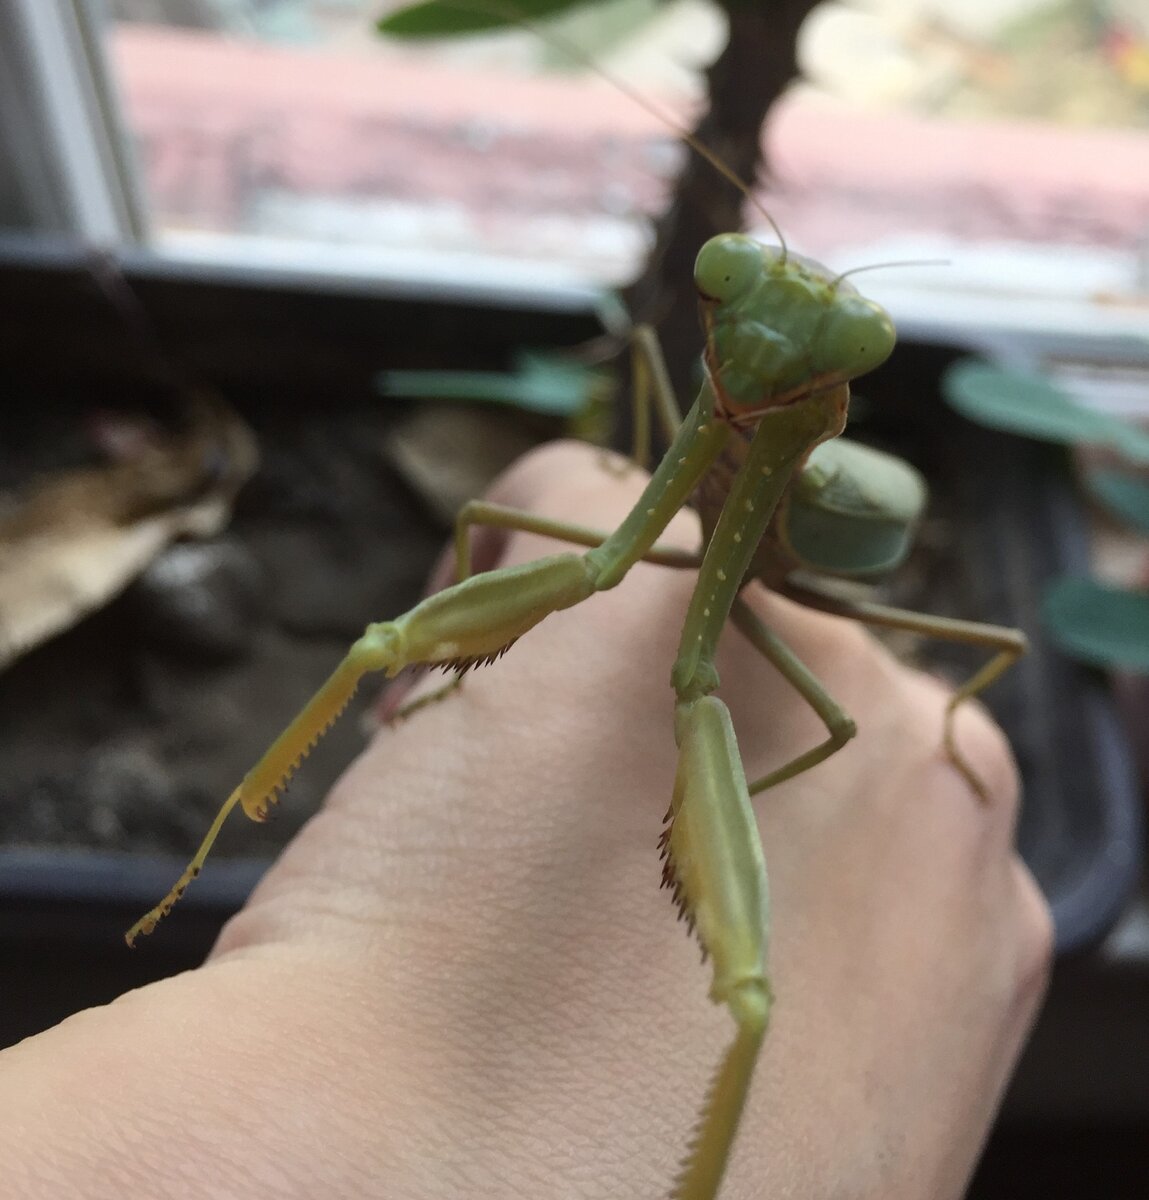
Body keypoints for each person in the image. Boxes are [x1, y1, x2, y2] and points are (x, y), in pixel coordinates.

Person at [0, 442, 1051, 1198]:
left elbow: (825, 729)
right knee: (382, 645)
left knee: (754, 977)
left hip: (790, 556)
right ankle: (210, 847)